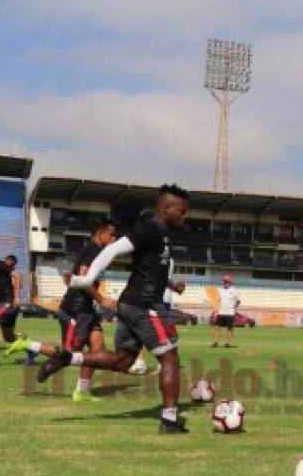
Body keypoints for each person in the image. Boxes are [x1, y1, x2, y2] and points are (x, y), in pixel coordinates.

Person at [34, 185, 191, 434]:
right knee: (170, 358)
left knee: (123, 361)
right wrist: (84, 281)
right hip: (145, 305)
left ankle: (68, 358)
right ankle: (170, 421)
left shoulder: (161, 233)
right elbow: (112, 249)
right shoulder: (149, 227)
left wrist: (172, 284)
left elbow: (149, 268)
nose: (184, 216)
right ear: (167, 208)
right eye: (181, 211)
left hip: (131, 304)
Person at [8, 222, 118, 401]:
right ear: (100, 233)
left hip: (86, 307)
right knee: (68, 353)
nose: (114, 238)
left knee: (98, 348)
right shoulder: (92, 251)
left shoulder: (98, 252)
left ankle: (81, 392)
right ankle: (28, 345)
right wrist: (102, 299)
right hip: (76, 308)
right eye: (111, 234)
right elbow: (83, 279)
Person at [212, 274, 241, 348]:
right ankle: (216, 342)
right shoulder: (220, 290)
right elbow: (218, 301)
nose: (225, 283)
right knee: (217, 327)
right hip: (221, 312)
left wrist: (234, 308)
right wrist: (216, 311)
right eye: (224, 281)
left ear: (230, 282)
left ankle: (228, 343)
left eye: (226, 281)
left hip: (230, 313)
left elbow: (238, 301)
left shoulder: (235, 291)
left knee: (230, 328)